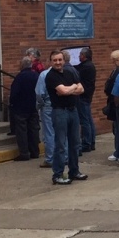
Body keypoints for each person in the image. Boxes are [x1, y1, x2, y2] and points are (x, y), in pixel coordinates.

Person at [45, 50, 87, 185]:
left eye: (59, 60)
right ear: (51, 62)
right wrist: (72, 88)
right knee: (61, 145)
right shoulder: (51, 76)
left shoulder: (69, 72)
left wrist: (70, 89)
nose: (57, 63)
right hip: (60, 112)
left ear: (64, 61)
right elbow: (62, 91)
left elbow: (81, 89)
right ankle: (57, 174)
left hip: (73, 111)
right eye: (55, 60)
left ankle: (74, 171)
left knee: (75, 143)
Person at [9, 56, 40, 161]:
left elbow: (14, 93)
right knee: (34, 129)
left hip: (21, 108)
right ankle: (35, 151)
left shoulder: (19, 77)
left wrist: (12, 103)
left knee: (21, 131)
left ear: (22, 65)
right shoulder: (36, 76)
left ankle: (24, 153)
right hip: (33, 107)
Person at [104, 49, 119, 164]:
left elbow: (111, 87)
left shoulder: (118, 72)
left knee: (118, 130)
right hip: (118, 103)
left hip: (116, 104)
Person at [75, 48, 97, 153]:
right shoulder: (90, 65)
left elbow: (76, 72)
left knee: (84, 121)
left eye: (80, 54)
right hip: (88, 95)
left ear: (84, 55)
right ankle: (91, 141)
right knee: (88, 119)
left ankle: (86, 143)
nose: (79, 56)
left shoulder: (85, 67)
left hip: (83, 96)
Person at [35, 63, 54, 168]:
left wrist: (38, 106)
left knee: (49, 133)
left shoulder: (44, 75)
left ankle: (50, 159)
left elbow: (39, 94)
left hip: (47, 106)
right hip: (59, 106)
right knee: (61, 132)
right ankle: (64, 156)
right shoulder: (63, 73)